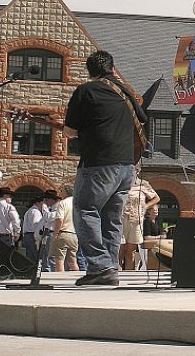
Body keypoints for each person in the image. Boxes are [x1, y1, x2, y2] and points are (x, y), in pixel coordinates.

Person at [63, 50, 147, 287]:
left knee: (85, 210)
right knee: (111, 217)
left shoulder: (85, 91)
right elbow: (142, 118)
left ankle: (100, 265)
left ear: (89, 71)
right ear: (113, 67)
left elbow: (69, 131)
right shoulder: (125, 92)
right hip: (127, 166)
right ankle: (109, 267)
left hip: (99, 164)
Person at [119, 171, 159, 270]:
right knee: (119, 251)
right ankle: (116, 277)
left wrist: (145, 206)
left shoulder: (143, 184)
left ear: (138, 171)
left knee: (130, 252)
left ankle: (128, 279)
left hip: (136, 220)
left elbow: (156, 198)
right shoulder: (120, 182)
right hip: (121, 219)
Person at [50, 184, 79, 272]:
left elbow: (59, 220)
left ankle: (59, 279)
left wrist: (55, 234)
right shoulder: (77, 203)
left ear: (66, 192)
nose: (60, 193)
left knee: (59, 260)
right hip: (74, 234)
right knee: (72, 261)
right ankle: (77, 277)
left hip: (64, 233)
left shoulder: (62, 203)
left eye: (62, 191)